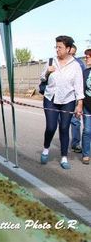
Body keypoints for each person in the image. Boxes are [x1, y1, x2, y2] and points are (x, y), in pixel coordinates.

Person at [40, 35, 84, 170]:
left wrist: (79, 104)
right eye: (56, 47)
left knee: (64, 128)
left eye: (60, 47)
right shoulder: (51, 61)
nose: (57, 50)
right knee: (51, 127)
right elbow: (42, 78)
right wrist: (47, 71)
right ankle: (46, 148)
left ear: (68, 49)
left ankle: (64, 157)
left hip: (68, 100)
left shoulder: (76, 66)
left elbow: (78, 86)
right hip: (50, 99)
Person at [69, 44, 86, 153]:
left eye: (74, 54)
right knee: (62, 122)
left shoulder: (79, 63)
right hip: (62, 99)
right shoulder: (58, 62)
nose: (72, 56)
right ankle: (64, 142)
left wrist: (80, 101)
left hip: (75, 97)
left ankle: (75, 144)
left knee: (75, 121)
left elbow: (83, 81)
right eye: (70, 54)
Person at [81, 48, 91, 165]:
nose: (86, 58)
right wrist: (79, 105)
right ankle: (86, 154)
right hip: (87, 106)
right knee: (87, 130)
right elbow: (81, 89)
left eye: (88, 56)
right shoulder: (85, 72)